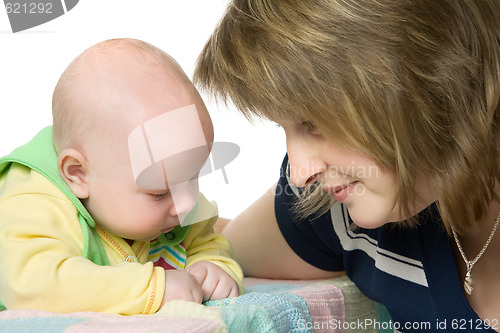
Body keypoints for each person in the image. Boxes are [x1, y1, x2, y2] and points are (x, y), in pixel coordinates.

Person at [194, 0, 500, 331]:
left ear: (424, 76)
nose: (299, 174)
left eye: (311, 122)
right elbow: (208, 248)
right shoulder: (342, 208)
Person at [0, 38, 243, 315]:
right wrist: (150, 289)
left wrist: (214, 268)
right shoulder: (31, 204)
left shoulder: (173, 192)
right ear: (78, 175)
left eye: (193, 176)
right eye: (159, 193)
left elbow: (207, 243)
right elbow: (33, 286)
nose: (186, 203)